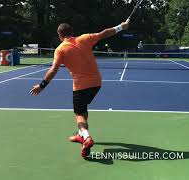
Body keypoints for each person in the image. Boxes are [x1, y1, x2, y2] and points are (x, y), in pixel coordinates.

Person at [29, 19, 130, 158]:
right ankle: (80, 135)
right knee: (83, 110)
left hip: (81, 86)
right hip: (97, 83)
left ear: (59, 34)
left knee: (79, 115)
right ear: (72, 32)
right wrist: (121, 27)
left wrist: (41, 86)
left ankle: (86, 136)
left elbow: (53, 70)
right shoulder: (85, 38)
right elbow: (104, 33)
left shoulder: (60, 49)